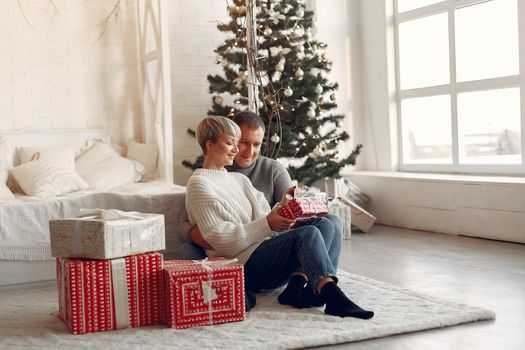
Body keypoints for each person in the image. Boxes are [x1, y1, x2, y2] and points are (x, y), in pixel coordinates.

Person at [184, 115, 374, 319]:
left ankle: (311, 291)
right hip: (240, 266)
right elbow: (221, 241)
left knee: (325, 225)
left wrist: (283, 211)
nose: (237, 149)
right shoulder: (199, 184)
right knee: (307, 234)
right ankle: (333, 296)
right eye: (231, 143)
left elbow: (265, 215)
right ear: (210, 145)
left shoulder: (239, 179)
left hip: (264, 252)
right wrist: (268, 223)